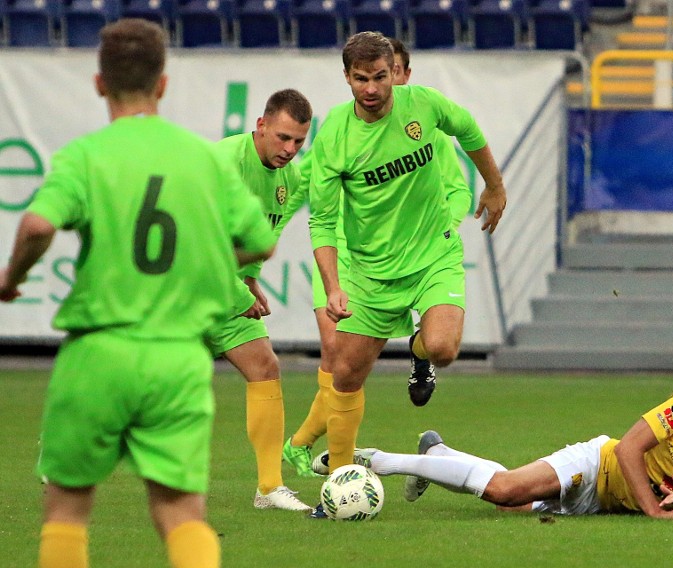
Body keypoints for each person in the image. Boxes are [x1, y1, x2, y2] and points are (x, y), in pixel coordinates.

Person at [0, 18, 277, 568]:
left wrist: (13, 278)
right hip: (178, 359)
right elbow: (261, 240)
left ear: (99, 83)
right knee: (181, 514)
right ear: (164, 84)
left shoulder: (86, 156)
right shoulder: (202, 159)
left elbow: (35, 227)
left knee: (67, 511)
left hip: (99, 353)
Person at [281, 36, 474, 478]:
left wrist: (448, 222)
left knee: (408, 351)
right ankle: (318, 453)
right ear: (350, 79)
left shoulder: (426, 127)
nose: (379, 86)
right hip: (350, 255)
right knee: (337, 354)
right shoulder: (338, 134)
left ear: (401, 76)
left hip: (421, 254)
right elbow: (302, 189)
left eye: (391, 75)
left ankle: (308, 444)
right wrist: (264, 230)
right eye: (364, 78)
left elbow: (458, 187)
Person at [359, 385, 673, 520]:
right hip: (597, 465)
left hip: (602, 505)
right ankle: (384, 461)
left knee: (509, 501)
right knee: (503, 490)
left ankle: (438, 453)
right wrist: (653, 511)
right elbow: (629, 449)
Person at [209, 89, 313, 511]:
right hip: (181, 288)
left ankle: (269, 488)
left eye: (299, 142)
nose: (290, 150)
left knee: (265, 366)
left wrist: (249, 281)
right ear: (261, 126)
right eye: (283, 138)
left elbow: (258, 240)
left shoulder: (289, 179)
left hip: (228, 291)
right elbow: (200, 243)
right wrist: (239, 292)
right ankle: (64, 447)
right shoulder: (222, 165)